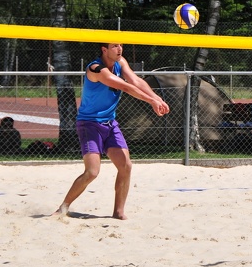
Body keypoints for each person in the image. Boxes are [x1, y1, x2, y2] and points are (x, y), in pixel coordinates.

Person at [53, 42, 169, 220]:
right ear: (104, 50)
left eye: (121, 45)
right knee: (92, 172)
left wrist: (157, 98)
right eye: (115, 46)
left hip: (110, 124)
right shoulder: (95, 68)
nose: (120, 49)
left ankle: (118, 211)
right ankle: (63, 207)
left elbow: (136, 81)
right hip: (89, 124)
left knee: (126, 166)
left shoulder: (120, 62)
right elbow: (126, 87)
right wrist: (151, 101)